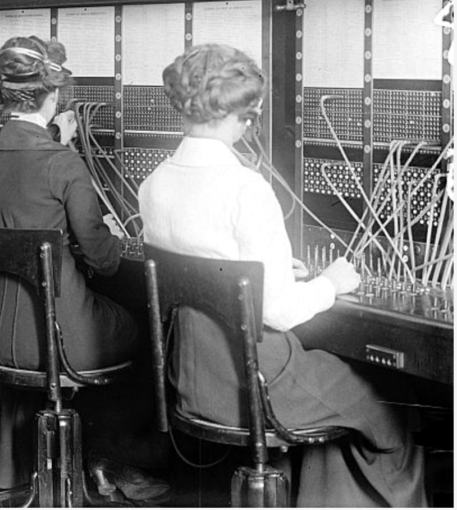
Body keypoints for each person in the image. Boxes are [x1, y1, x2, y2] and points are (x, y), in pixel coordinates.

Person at [138, 43, 426, 507]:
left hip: (191, 381)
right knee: (392, 398)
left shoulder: (154, 184)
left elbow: (207, 265)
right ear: (242, 116)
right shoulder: (245, 189)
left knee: (345, 397)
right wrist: (331, 281)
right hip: (262, 384)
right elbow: (280, 311)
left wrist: (259, 275)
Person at [0, 36, 166, 499]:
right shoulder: (64, 163)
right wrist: (111, 238)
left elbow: (22, 196)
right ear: (53, 96)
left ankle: (41, 471)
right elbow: (103, 258)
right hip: (62, 337)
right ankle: (111, 463)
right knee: (144, 331)